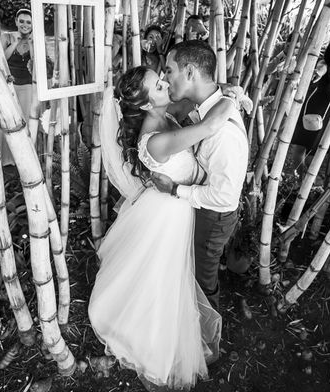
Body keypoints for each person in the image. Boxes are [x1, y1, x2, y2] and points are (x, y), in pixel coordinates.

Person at [89, 65, 239, 390]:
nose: (166, 82)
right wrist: (235, 97)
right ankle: (154, 346)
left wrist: (220, 88)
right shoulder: (156, 141)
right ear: (145, 104)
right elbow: (213, 122)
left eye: (162, 76)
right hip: (169, 215)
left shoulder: (165, 111)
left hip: (175, 207)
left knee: (163, 278)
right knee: (163, 282)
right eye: (159, 84)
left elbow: (195, 100)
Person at [154, 40, 249, 310]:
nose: (165, 78)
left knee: (202, 281)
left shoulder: (222, 132)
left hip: (212, 214)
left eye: (169, 70)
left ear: (190, 72)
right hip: (202, 208)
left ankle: (206, 345)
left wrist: (174, 189)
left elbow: (223, 196)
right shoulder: (211, 107)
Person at [290, 36, 330, 177]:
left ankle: (307, 181)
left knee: (316, 151)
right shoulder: (324, 63)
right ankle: (298, 180)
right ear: (329, 52)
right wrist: (316, 74)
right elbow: (320, 69)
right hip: (311, 107)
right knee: (299, 146)